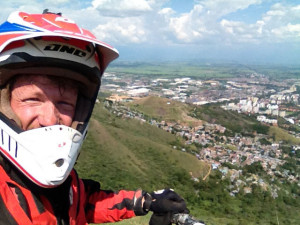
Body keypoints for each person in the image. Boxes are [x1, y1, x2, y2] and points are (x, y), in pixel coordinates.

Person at [0, 10, 189, 225]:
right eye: (32, 99)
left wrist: (145, 202)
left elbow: (86, 203)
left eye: (64, 103)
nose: (50, 119)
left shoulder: (67, 185)